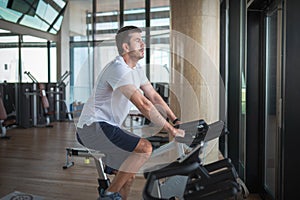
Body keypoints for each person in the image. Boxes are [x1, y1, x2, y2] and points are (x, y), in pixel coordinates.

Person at [76, 26, 185, 200]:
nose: (143, 44)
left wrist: (175, 119)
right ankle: (108, 196)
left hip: (107, 127)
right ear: (126, 47)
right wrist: (170, 130)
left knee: (128, 175)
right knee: (145, 148)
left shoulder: (137, 69)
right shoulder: (118, 69)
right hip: (92, 127)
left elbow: (153, 96)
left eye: (142, 40)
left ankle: (115, 195)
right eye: (137, 40)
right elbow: (143, 104)